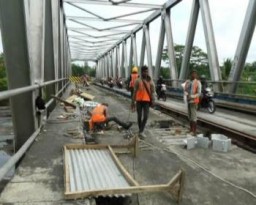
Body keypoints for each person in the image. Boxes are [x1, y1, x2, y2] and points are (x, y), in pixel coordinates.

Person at [131, 65, 156, 139]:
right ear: (141, 72)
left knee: (145, 116)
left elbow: (153, 91)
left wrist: (153, 101)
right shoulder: (138, 80)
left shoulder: (150, 81)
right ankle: (140, 131)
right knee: (139, 117)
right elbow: (134, 92)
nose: (146, 73)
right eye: (145, 72)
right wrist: (132, 102)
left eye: (147, 72)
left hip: (147, 101)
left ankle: (141, 131)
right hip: (139, 101)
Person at [184, 70, 201, 136]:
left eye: (195, 74)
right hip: (189, 101)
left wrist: (191, 96)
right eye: (192, 74)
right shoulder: (188, 82)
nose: (193, 75)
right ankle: (191, 129)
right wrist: (186, 95)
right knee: (190, 116)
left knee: (194, 116)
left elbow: (199, 93)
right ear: (190, 74)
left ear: (196, 75)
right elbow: (185, 90)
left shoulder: (198, 82)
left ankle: (194, 131)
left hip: (194, 101)